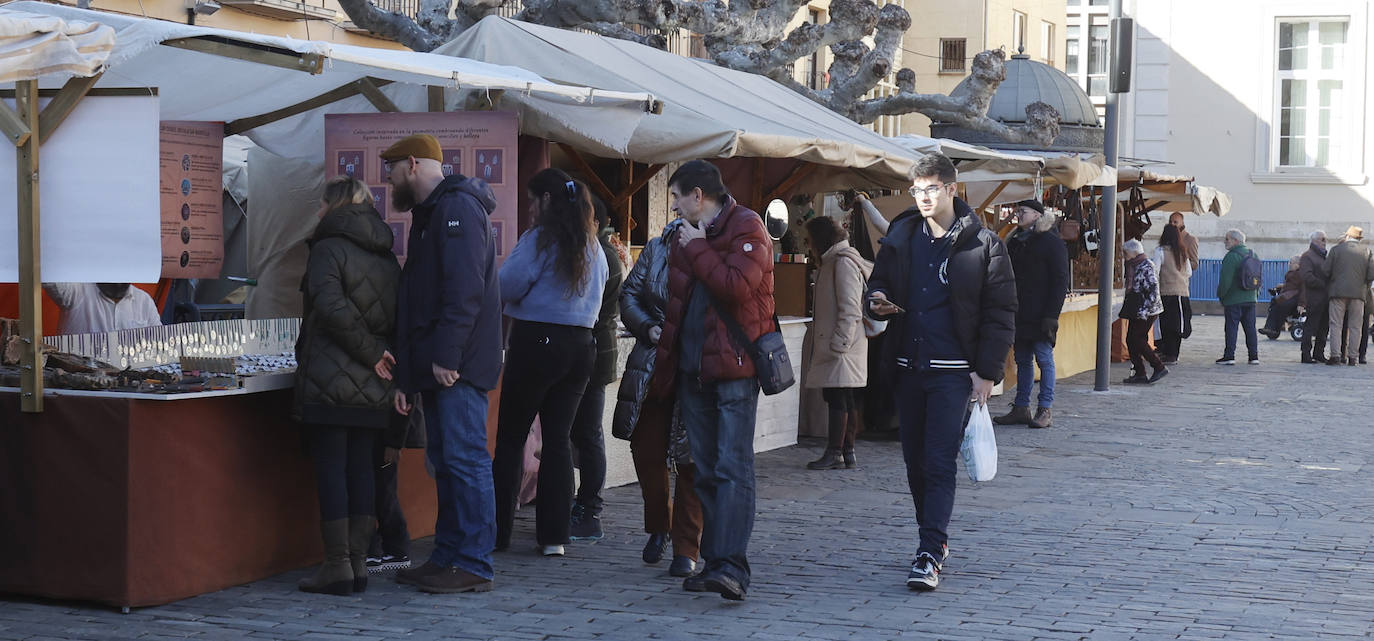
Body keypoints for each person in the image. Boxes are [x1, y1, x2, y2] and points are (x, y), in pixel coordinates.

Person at [866, 152, 1016, 591]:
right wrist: (875, 299)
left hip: (954, 372)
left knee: (937, 460)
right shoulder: (903, 235)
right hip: (907, 365)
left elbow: (1001, 312)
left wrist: (987, 372)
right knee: (915, 462)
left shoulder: (983, 244)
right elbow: (880, 283)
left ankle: (931, 551)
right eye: (917, 190)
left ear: (952, 188)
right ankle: (930, 542)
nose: (923, 197)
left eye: (931, 188)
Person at [650, 159, 775, 601]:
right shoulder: (684, 237)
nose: (675, 207)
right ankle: (715, 561)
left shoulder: (748, 227)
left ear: (698, 196)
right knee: (703, 470)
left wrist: (700, 248)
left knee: (732, 467)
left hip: (735, 369)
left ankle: (732, 568)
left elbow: (737, 288)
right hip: (694, 371)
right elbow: (678, 306)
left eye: (678, 198)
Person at [386, 134, 504, 595]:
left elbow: (463, 289)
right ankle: (448, 557)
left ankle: (473, 561)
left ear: (412, 164)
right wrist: (409, 374)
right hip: (440, 364)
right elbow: (421, 299)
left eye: (392, 168)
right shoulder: (433, 214)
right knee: (447, 462)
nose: (388, 179)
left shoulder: (456, 209)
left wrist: (447, 357)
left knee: (465, 459)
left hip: (455, 366)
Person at [293, 176, 401, 595]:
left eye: (320, 204)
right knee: (361, 468)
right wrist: (377, 355)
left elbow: (331, 306)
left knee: (332, 470)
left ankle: (338, 564)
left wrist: (368, 351)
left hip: (331, 376)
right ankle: (355, 564)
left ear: (334, 206)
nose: (317, 212)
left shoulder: (327, 248)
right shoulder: (386, 254)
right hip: (375, 382)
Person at [493, 169, 607, 558]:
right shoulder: (592, 245)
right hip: (581, 346)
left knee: (511, 436)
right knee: (559, 439)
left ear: (545, 200)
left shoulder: (539, 240)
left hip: (536, 341)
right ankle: (554, 536)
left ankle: (498, 532)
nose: (528, 208)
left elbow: (506, 285)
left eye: (531, 200)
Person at [614, 217, 704, 579]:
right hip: (654, 361)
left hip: (697, 366)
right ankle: (659, 525)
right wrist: (646, 326)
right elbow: (629, 294)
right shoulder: (656, 247)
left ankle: (687, 547)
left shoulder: (717, 246)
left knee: (690, 459)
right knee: (647, 449)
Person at [568, 200, 626, 542]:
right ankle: (584, 506)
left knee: (587, 434)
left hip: (593, 352)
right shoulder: (598, 251)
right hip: (594, 352)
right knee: (583, 434)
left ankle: (590, 509)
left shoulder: (600, 254)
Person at [802, 215, 872, 469]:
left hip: (843, 346)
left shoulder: (841, 263)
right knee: (842, 396)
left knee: (838, 397)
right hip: (842, 344)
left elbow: (850, 308)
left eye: (810, 241)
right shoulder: (836, 261)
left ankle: (836, 452)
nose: (808, 246)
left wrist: (839, 344)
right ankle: (846, 451)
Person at [993, 199, 1068, 429]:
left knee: (1044, 359)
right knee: (1022, 360)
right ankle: (1021, 407)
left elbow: (1059, 281)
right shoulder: (1016, 240)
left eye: (1022, 211)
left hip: (1041, 312)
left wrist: (1051, 315)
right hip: (1020, 311)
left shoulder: (1051, 242)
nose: (1018, 215)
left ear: (1037, 215)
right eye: (1017, 211)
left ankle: (1045, 409)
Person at [1322, 226, 1374, 366]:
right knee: (1356, 326)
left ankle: (1336, 356)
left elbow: (1325, 271)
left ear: (1347, 236)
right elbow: (1371, 275)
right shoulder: (1367, 251)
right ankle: (1353, 357)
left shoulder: (1336, 250)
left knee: (1336, 325)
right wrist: (1363, 284)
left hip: (1337, 292)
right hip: (1358, 294)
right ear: (1359, 238)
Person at [1120, 239, 1167, 384]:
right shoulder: (1135, 265)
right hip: (1138, 309)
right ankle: (1140, 372)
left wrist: (1144, 311)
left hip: (1147, 310)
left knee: (1138, 339)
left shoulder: (1146, 266)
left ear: (1134, 252)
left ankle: (1158, 366)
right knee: (1131, 340)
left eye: (1125, 253)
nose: (1124, 256)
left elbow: (1153, 290)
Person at [41, 282, 161, 335]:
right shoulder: (76, 291)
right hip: (81, 383)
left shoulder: (144, 301)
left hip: (130, 383)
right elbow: (47, 278)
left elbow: (159, 342)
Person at [1215, 229, 1260, 365]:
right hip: (1251, 298)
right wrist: (1255, 295)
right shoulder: (1254, 254)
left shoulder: (1231, 256)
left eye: (1227, 239)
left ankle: (1229, 356)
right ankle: (1254, 356)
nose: (1225, 242)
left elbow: (1225, 281)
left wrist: (1221, 296)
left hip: (1234, 299)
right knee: (1250, 329)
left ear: (1235, 241)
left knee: (1231, 328)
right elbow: (1258, 278)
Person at [1152, 224, 1194, 365]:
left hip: (1166, 292)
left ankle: (1168, 353)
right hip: (1182, 293)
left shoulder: (1160, 251)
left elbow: (1155, 271)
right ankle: (1174, 354)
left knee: (1166, 324)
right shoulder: (1183, 252)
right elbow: (1189, 272)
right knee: (1178, 325)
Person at [1299, 230, 1330, 364]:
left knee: (1324, 328)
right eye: (1322, 239)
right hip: (1314, 298)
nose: (1325, 242)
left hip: (1326, 298)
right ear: (1314, 241)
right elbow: (1306, 276)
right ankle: (1306, 354)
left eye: (1325, 239)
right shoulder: (1307, 256)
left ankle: (1319, 353)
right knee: (1310, 327)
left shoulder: (1324, 256)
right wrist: (1323, 284)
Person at [1260, 256, 1303, 340]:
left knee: (1277, 305)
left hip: (1294, 299)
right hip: (1289, 297)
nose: (1289, 264)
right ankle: (1271, 329)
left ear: (1297, 265)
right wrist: (1282, 286)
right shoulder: (1293, 274)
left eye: (1291, 263)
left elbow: (1301, 289)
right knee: (1276, 305)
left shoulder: (1299, 274)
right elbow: (1290, 286)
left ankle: (1272, 328)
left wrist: (1301, 303)